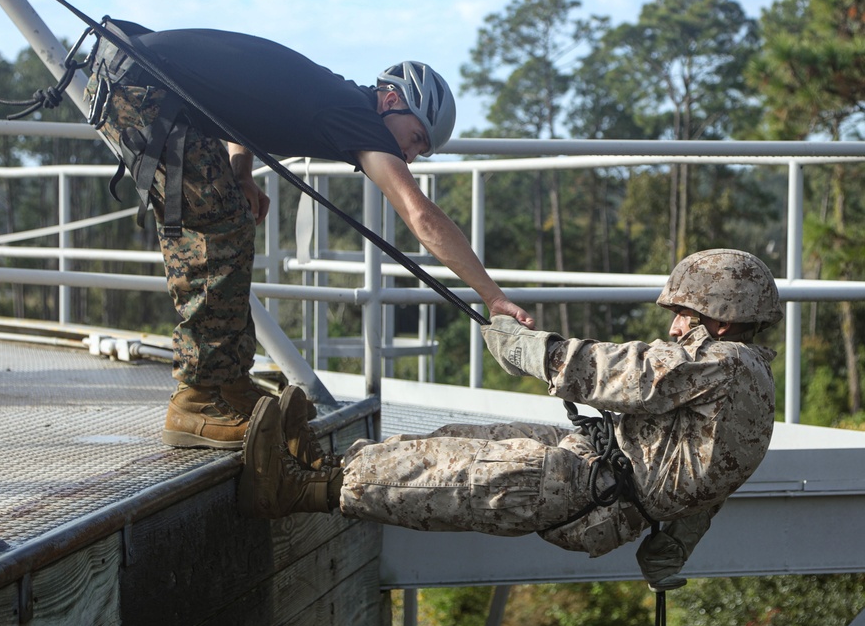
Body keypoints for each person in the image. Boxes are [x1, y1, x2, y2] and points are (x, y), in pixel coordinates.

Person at [85, 21, 533, 450]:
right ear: (391, 99)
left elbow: (243, 104)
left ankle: (228, 386)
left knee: (231, 217)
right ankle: (196, 402)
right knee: (216, 229)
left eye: (421, 151)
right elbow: (421, 216)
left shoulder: (336, 99)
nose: (411, 155)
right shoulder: (359, 119)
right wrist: (492, 297)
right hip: (140, 88)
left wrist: (241, 171)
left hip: (137, 77)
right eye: (416, 138)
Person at [237, 249, 782, 587]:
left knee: (453, 473)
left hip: (595, 487)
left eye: (687, 313)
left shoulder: (723, 363)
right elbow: (713, 483)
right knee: (458, 440)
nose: (677, 327)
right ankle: (322, 461)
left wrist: (531, 351)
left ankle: (296, 487)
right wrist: (672, 549)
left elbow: (628, 372)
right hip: (601, 470)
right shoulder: (754, 386)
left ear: (724, 318)